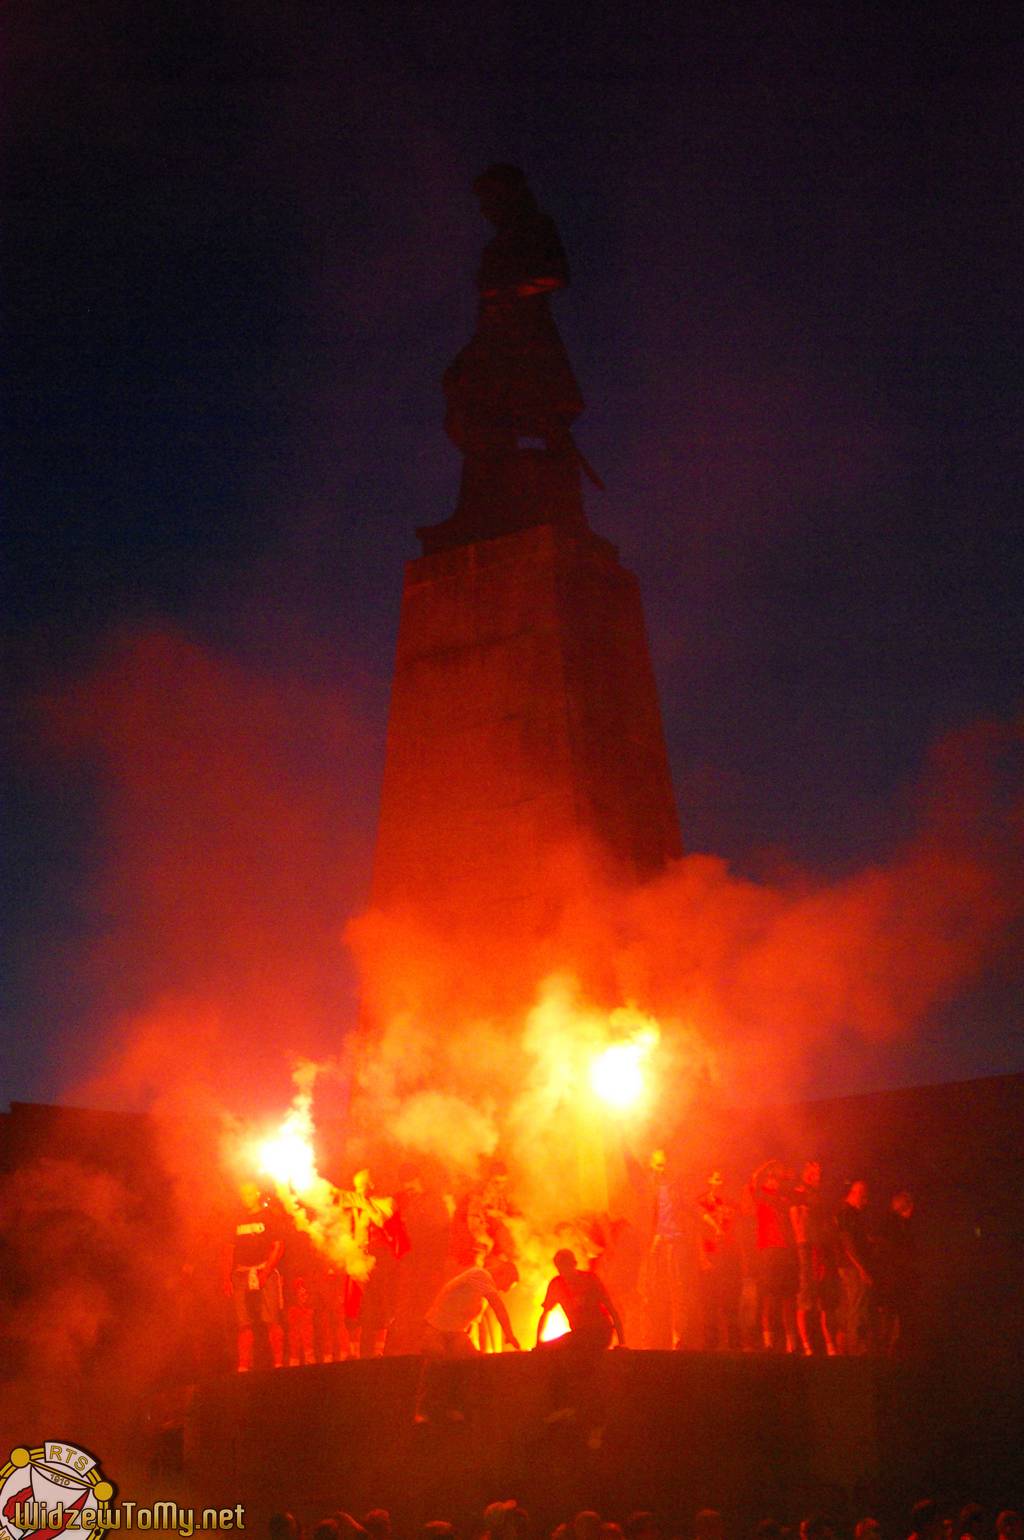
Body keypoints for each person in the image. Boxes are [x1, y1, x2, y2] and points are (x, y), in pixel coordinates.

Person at [414, 1256, 521, 1422]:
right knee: (437, 1361)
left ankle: (453, 1408)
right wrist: (509, 1333)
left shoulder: (481, 1289)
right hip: (436, 1328)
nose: (505, 1290)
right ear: (502, 1273)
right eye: (506, 1284)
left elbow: (470, 1319)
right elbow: (498, 1306)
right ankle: (425, 1411)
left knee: (468, 1361)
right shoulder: (481, 1275)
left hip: (455, 1332)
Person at [535, 1248, 624, 1446]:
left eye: (566, 1266)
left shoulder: (590, 1279)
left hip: (599, 1331)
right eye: (560, 1268)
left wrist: (622, 1341)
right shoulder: (556, 1284)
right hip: (578, 1335)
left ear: (574, 1264)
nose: (564, 1271)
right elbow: (545, 1314)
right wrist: (537, 1343)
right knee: (552, 1350)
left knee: (588, 1369)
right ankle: (562, 1406)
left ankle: (596, 1425)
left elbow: (610, 1309)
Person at [224, 1181, 285, 1371]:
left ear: (257, 1193)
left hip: (263, 1271)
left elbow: (278, 1247)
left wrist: (265, 1273)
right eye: (243, 1194)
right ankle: (243, 1367)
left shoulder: (269, 1217)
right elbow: (228, 1250)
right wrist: (225, 1277)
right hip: (241, 1273)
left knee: (272, 1321)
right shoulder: (236, 1219)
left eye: (249, 1193)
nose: (245, 1198)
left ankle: (278, 1365)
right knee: (243, 1324)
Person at [789, 1161, 837, 1356]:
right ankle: (806, 1344)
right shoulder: (800, 1193)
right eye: (814, 1174)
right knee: (805, 1295)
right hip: (806, 1247)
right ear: (807, 1175)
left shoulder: (817, 1196)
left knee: (821, 1296)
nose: (818, 1177)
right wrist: (801, 1240)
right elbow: (796, 1217)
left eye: (819, 1173)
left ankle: (828, 1344)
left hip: (819, 1246)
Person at [751, 1160, 797, 1352]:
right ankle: (768, 1341)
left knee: (787, 1297)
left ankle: (791, 1343)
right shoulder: (761, 1195)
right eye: (771, 1178)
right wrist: (768, 1164)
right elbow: (754, 1179)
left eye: (776, 1179)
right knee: (769, 1295)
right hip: (768, 1249)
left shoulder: (784, 1198)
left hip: (785, 1250)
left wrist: (784, 1173)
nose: (774, 1181)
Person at [835, 1179, 874, 1354]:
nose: (866, 1200)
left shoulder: (853, 1214)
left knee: (853, 1305)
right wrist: (861, 1269)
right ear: (855, 1193)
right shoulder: (846, 1213)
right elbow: (847, 1244)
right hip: (851, 1267)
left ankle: (849, 1346)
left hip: (852, 1266)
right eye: (863, 1195)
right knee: (856, 1306)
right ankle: (855, 1348)